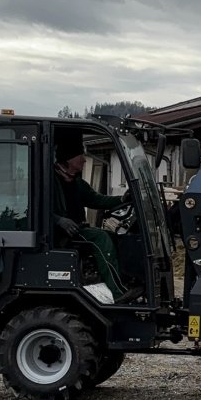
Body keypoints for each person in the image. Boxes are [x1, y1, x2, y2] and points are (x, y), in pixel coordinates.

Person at [53, 127, 130, 299]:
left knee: (117, 237)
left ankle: (122, 280)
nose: (85, 161)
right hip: (59, 235)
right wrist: (58, 220)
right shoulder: (49, 180)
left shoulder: (76, 182)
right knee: (100, 239)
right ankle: (118, 292)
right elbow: (33, 209)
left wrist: (122, 200)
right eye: (81, 156)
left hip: (78, 230)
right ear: (69, 158)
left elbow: (96, 200)